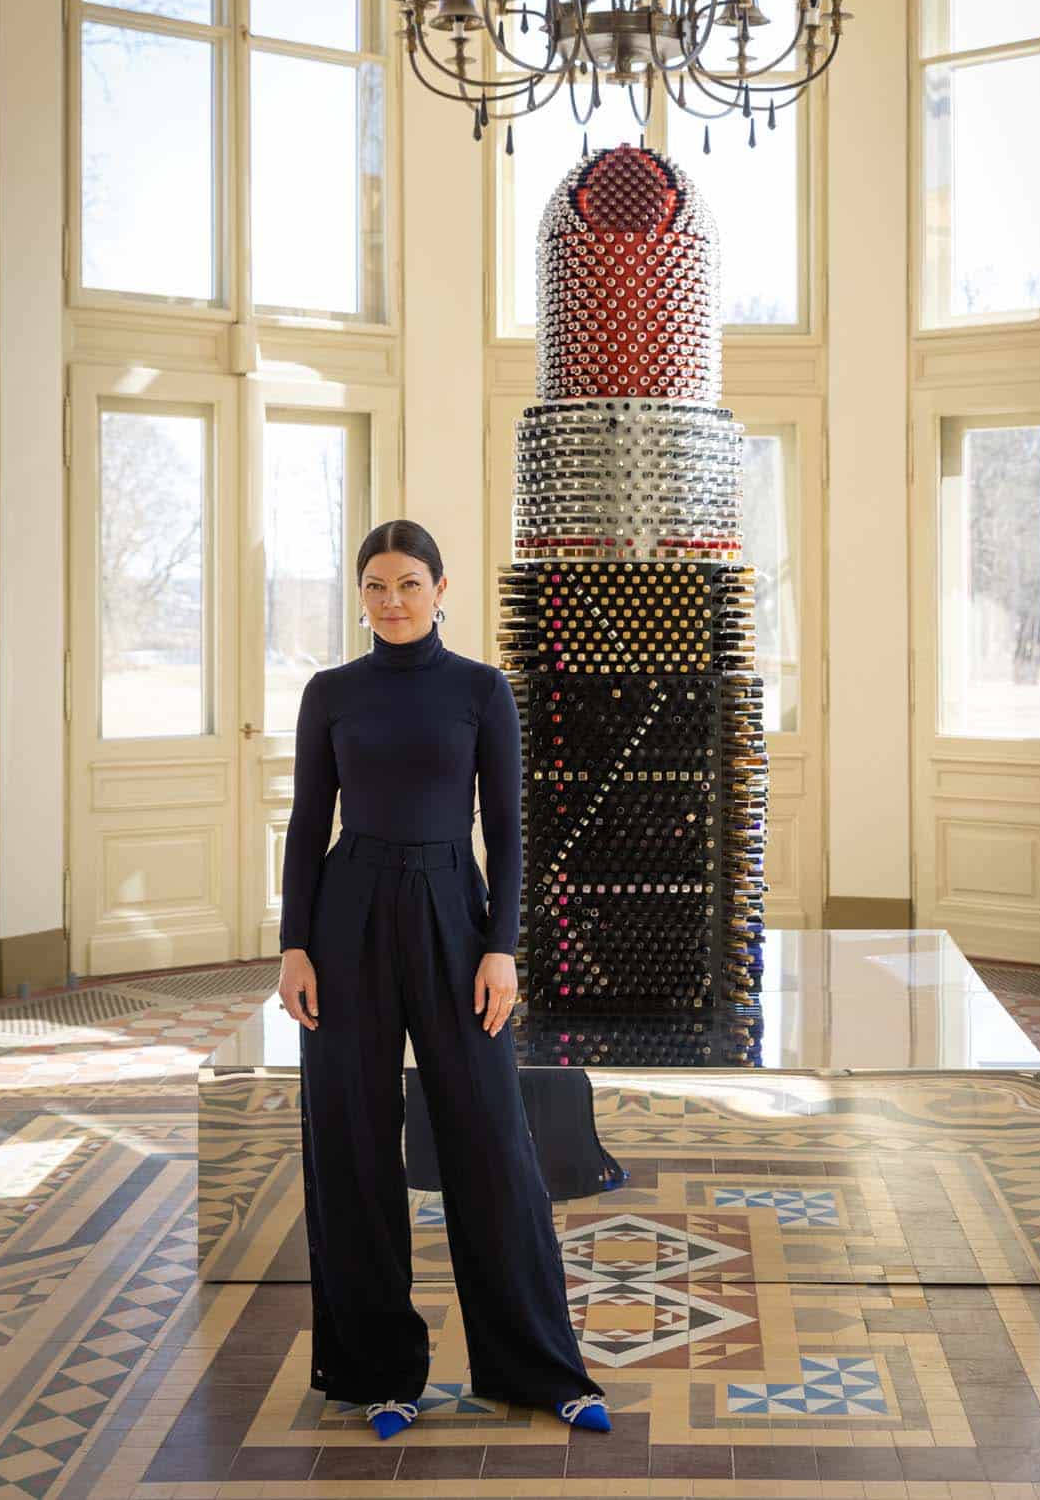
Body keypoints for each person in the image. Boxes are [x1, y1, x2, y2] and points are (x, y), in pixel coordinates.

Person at [277, 519, 610, 1440]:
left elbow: (506, 831)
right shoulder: (330, 693)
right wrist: (292, 944)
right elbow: (309, 824)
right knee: (350, 1141)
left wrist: (502, 946)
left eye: (409, 583)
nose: (392, 600)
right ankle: (378, 1373)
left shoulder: (479, 689)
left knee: (491, 1140)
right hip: (345, 922)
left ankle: (540, 1367)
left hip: (454, 919)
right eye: (377, 584)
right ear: (360, 592)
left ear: (440, 588)